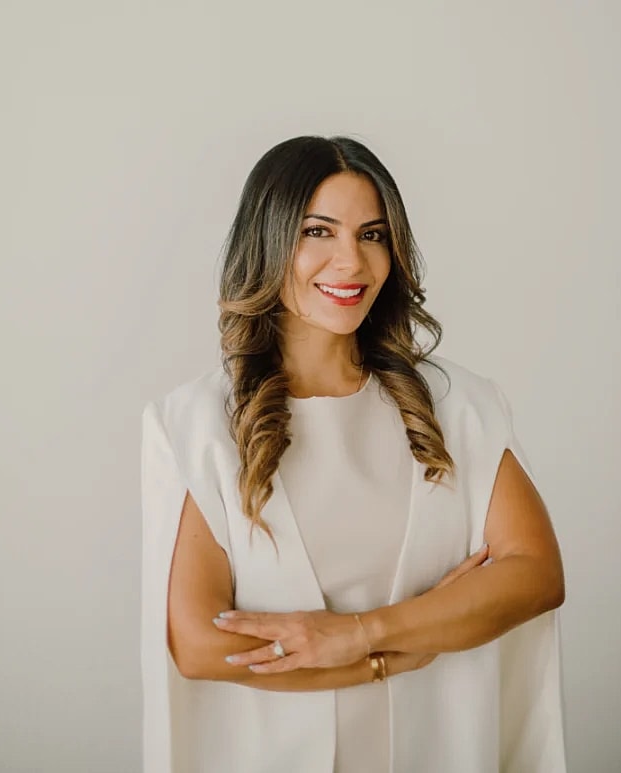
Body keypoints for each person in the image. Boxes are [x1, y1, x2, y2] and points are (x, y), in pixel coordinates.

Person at [140, 135, 567, 773]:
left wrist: (360, 632)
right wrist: (393, 658)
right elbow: (199, 644)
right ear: (268, 240)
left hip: (439, 750)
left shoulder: (456, 403)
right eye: (319, 231)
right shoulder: (195, 425)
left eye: (372, 235)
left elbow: (535, 574)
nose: (352, 263)